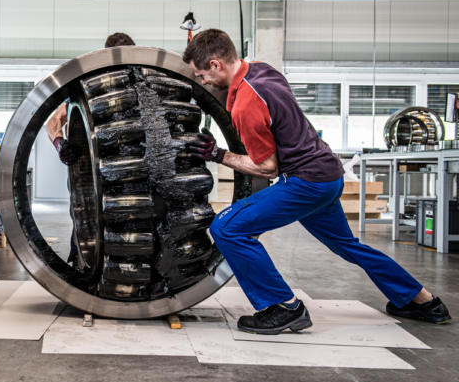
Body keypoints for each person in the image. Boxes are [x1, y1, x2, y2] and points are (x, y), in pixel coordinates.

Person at [182, 28, 451, 334]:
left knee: (226, 228)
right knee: (347, 245)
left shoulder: (246, 104)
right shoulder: (262, 71)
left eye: (202, 74)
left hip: (306, 183)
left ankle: (283, 307)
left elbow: (267, 167)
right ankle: (421, 300)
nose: (202, 81)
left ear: (216, 64)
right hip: (328, 174)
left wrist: (218, 154)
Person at [46, 32, 136, 264]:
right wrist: (59, 144)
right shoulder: (92, 89)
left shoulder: (140, 88)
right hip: (89, 174)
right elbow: (53, 122)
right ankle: (81, 261)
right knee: (84, 216)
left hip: (128, 173)